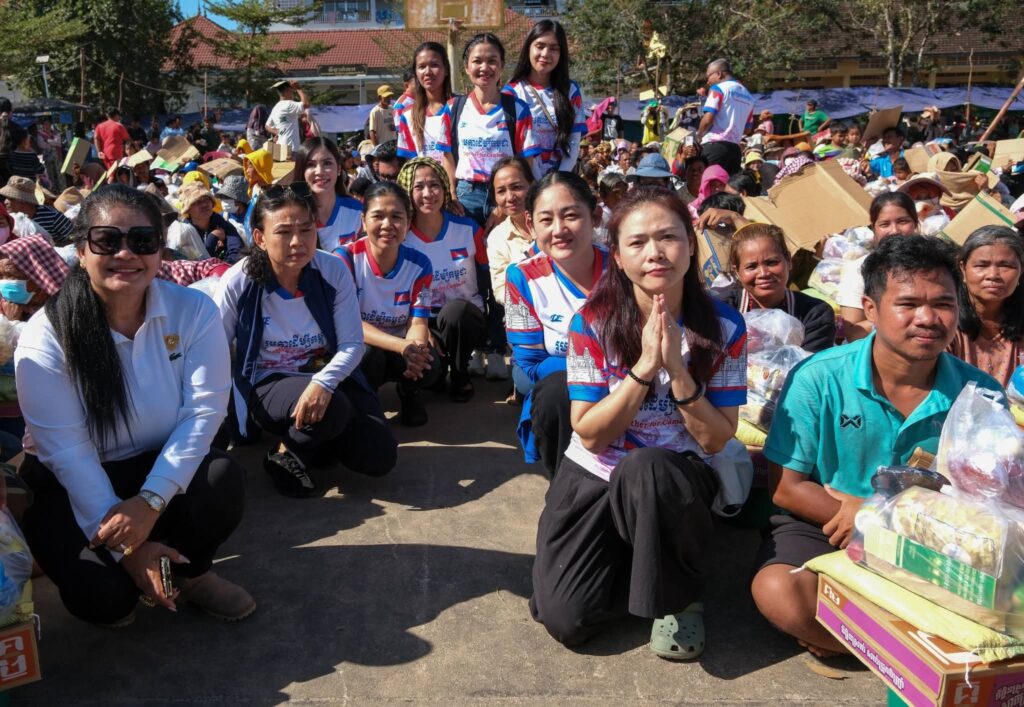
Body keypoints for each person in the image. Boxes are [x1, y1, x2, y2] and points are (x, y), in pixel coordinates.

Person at [750, 235, 1001, 658]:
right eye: (908, 304)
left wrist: (879, 518)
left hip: (935, 535)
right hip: (831, 520)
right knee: (779, 590)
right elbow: (786, 488)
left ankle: (860, 641)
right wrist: (856, 514)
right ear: (870, 308)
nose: (927, 318)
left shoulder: (981, 394)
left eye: (943, 303)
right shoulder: (819, 377)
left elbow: (989, 500)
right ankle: (896, 652)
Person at [15, 184, 253, 626]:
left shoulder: (193, 311)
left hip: (155, 468)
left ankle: (192, 574)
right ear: (81, 250)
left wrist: (150, 501)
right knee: (105, 601)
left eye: (143, 241)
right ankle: (144, 567)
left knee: (221, 479)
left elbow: (203, 412)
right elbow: (67, 452)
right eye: (107, 240)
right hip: (71, 485)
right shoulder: (45, 336)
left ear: (160, 250)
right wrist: (130, 548)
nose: (126, 254)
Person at [530, 186, 746, 658]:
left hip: (675, 472)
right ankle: (642, 558)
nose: (655, 253)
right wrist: (645, 368)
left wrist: (679, 371)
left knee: (647, 466)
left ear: (690, 243)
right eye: (637, 242)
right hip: (598, 469)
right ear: (618, 256)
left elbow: (715, 439)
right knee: (566, 619)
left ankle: (679, 596)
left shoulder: (726, 326)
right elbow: (590, 434)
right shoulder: (591, 323)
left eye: (668, 237)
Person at [215, 182, 397, 498]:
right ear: (259, 237)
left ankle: (315, 444)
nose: (297, 241)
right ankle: (287, 451)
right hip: (270, 383)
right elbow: (214, 349)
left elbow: (352, 344)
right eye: (284, 232)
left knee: (379, 456)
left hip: (326, 374)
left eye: (306, 229)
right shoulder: (239, 281)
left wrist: (323, 382)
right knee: (335, 408)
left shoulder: (333, 270)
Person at [505, 171, 607, 475]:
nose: (559, 230)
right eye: (546, 220)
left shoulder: (624, 269)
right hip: (565, 389)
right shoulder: (521, 276)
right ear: (530, 224)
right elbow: (529, 364)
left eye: (571, 215)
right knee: (555, 391)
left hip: (628, 388)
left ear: (595, 216)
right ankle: (565, 482)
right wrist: (596, 377)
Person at [341, 182, 442, 426]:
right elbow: (349, 323)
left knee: (430, 363)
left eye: (396, 217)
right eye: (378, 216)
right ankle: (366, 400)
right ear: (364, 221)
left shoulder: (420, 264)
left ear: (408, 222)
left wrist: (416, 351)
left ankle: (409, 390)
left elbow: (418, 321)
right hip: (364, 345)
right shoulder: (344, 259)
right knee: (367, 356)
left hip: (400, 344)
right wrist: (402, 346)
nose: (387, 225)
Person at [397, 157, 488, 401]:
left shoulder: (468, 228)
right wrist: (420, 330)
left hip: (464, 319)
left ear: (445, 188)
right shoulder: (401, 238)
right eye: (418, 187)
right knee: (428, 375)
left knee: (456, 312)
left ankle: (460, 376)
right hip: (421, 321)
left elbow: (487, 275)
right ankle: (436, 373)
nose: (428, 193)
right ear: (407, 192)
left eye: (434, 185)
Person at [447, 33, 541, 228]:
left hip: (507, 196)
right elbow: (447, 156)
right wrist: (452, 194)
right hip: (465, 198)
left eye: (492, 61)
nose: (484, 68)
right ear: (466, 67)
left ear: (501, 66)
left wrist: (502, 207)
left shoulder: (518, 109)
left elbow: (526, 163)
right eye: (477, 61)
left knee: (504, 246)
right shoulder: (452, 108)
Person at [720, 223, 835, 352]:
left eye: (771, 262)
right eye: (751, 267)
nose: (763, 273)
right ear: (737, 271)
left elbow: (812, 363)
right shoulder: (720, 310)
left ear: (788, 261)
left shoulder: (815, 313)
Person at [504, 20, 586, 180]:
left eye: (554, 48)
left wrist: (558, 180)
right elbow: (516, 145)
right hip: (526, 180)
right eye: (540, 46)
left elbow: (574, 141)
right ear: (528, 48)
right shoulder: (512, 92)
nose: (546, 54)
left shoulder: (571, 91)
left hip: (561, 181)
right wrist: (538, 183)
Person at [839, 192, 919, 341]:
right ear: (874, 228)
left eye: (903, 221)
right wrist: (903, 316)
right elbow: (854, 332)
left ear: (915, 223)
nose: (894, 230)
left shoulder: (933, 266)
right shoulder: (859, 270)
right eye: (885, 224)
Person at [949, 226, 1024, 387]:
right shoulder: (946, 323)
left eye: (1005, 265)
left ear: (1021, 271)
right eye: (981, 265)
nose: (993, 275)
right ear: (963, 268)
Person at [396, 42, 456, 193]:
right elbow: (410, 162)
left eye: (434, 65)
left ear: (446, 69)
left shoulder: (461, 107)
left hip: (459, 192)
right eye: (421, 67)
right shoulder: (407, 115)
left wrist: (452, 192)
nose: (428, 72)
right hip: (426, 194)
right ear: (416, 72)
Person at [485, 157, 536, 323]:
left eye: (517, 187)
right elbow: (501, 289)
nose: (510, 197)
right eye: (501, 191)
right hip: (525, 314)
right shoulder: (497, 238)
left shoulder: (553, 223)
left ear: (532, 185)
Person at [294, 137, 363, 254]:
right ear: (302, 171)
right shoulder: (291, 215)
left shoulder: (357, 211)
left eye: (327, 163)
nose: (319, 171)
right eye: (311, 165)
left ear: (339, 169)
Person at [696, 58, 754, 175]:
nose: (708, 81)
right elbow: (748, 129)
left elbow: (707, 119)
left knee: (709, 183)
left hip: (714, 145)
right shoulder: (749, 96)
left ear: (719, 74)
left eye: (709, 76)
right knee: (729, 184)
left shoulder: (718, 89)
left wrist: (698, 136)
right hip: (735, 150)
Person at [178, 184, 243, 264]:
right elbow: (199, 263)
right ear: (188, 210)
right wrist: (212, 238)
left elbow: (237, 252)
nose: (204, 205)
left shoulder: (221, 223)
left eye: (206, 200)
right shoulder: (184, 234)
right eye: (197, 202)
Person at [1, 175, 75, 244]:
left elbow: (74, 239)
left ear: (23, 201)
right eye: (6, 198)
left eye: (11, 199)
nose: (5, 202)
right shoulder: (8, 219)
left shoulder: (53, 217)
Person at [267, 80, 311, 153]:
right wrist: (298, 89)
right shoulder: (288, 104)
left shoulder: (276, 108)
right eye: (291, 91)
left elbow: (267, 126)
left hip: (280, 146)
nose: (292, 94)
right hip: (291, 148)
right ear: (286, 91)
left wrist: (278, 132)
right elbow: (306, 104)